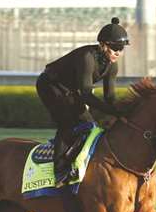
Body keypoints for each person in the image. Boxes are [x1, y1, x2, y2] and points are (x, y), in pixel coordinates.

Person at [36, 17, 129, 188]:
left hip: (70, 90)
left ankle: (75, 161)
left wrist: (124, 112)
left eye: (121, 48)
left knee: (89, 125)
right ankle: (58, 171)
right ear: (103, 45)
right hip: (50, 85)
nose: (118, 52)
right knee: (72, 121)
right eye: (115, 47)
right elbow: (86, 94)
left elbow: (110, 98)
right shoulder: (87, 57)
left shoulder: (112, 66)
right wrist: (113, 112)